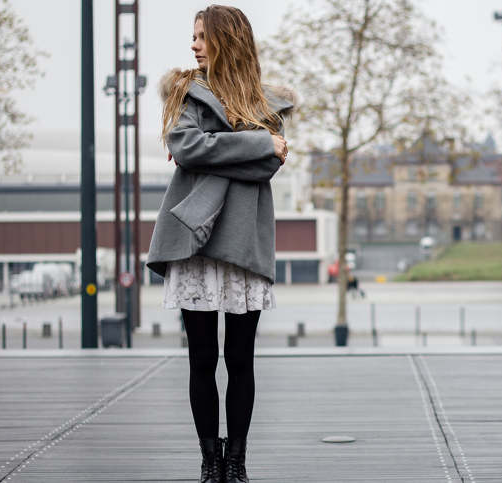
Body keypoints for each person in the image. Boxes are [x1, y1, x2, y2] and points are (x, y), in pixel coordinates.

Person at [146, 5, 295, 483]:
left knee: (241, 361)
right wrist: (258, 143)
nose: (193, 45)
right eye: (192, 36)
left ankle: (237, 462)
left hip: (242, 242)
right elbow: (187, 147)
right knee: (202, 360)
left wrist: (221, 151)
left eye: (202, 36)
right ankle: (211, 462)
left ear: (227, 40)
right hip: (194, 241)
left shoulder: (268, 104)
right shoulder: (186, 94)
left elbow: (264, 167)